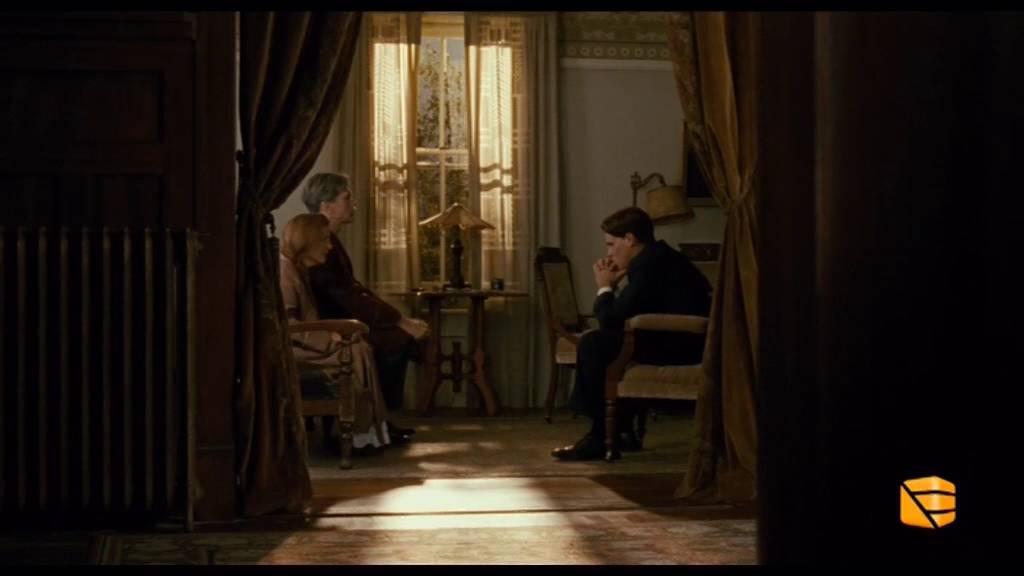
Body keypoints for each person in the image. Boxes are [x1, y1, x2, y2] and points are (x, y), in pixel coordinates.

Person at [552, 206, 711, 461]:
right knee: (602, 343)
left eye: (611, 244)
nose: (608, 252)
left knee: (593, 344)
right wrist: (613, 288)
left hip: (681, 343)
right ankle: (621, 431)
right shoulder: (657, 257)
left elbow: (610, 320)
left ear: (629, 239)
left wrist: (605, 286)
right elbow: (624, 315)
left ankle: (599, 436)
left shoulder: (649, 263)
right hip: (678, 338)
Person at [300, 173, 428, 441]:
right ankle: (378, 422)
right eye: (347, 198)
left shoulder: (330, 240)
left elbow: (355, 289)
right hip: (332, 324)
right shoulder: (320, 244)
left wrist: (396, 318)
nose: (354, 204)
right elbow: (348, 296)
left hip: (344, 318)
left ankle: (380, 420)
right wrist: (399, 321)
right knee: (396, 342)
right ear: (327, 206)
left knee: (398, 338)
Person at [279, 213, 392, 453]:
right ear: (307, 240)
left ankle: (366, 431)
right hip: (292, 350)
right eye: (324, 240)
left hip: (304, 345)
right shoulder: (285, 271)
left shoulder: (300, 270)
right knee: (356, 350)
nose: (330, 247)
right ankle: (358, 433)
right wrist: (328, 337)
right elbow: (286, 326)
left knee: (360, 347)